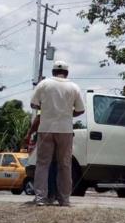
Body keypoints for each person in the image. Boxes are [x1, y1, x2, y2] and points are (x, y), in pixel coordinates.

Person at [30, 60, 85, 206]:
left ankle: (41, 198)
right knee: (65, 165)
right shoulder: (74, 87)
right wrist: (67, 114)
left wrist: (47, 108)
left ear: (53, 72)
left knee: (42, 164)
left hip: (46, 128)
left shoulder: (44, 84)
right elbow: (81, 109)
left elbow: (33, 104)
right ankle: (64, 199)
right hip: (65, 130)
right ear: (67, 73)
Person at [25, 113, 57, 202]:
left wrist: (29, 133)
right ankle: (56, 194)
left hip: (47, 134)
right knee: (57, 164)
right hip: (64, 133)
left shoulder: (46, 101)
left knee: (45, 165)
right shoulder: (65, 100)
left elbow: (39, 118)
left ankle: (46, 195)